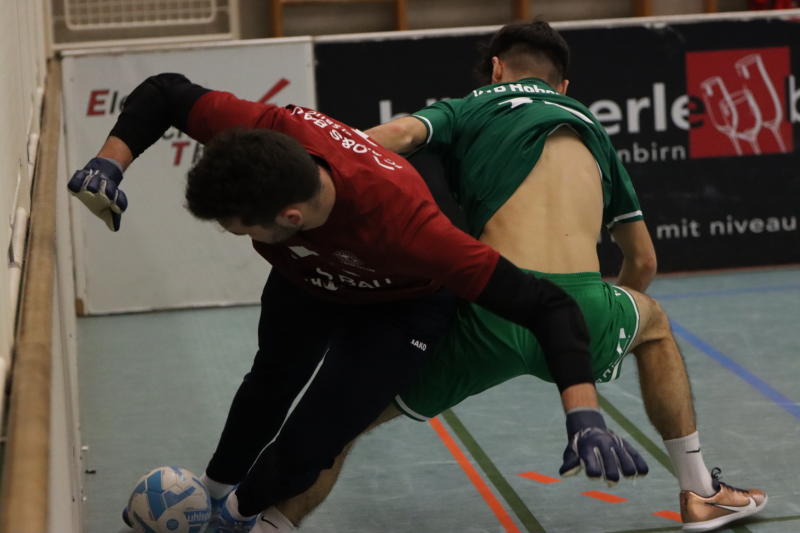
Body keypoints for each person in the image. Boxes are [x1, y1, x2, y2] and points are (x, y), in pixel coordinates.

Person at [67, 72, 648, 533]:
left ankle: (235, 518)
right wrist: (109, 163)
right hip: (309, 274)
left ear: (290, 217)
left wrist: (582, 411)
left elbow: (548, 306)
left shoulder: (413, 230)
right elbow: (166, 92)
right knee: (271, 379)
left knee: (318, 432)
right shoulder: (269, 130)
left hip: (403, 303)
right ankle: (212, 492)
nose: (234, 235)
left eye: (239, 228)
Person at [253, 20, 768, 533]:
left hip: (489, 308)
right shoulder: (587, 123)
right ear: (563, 86)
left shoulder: (467, 107)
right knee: (654, 327)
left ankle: (267, 523)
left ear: (497, 69)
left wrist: (311, 180)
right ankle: (700, 492)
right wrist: (587, 331)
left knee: (341, 424)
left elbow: (392, 138)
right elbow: (644, 261)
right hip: (581, 311)